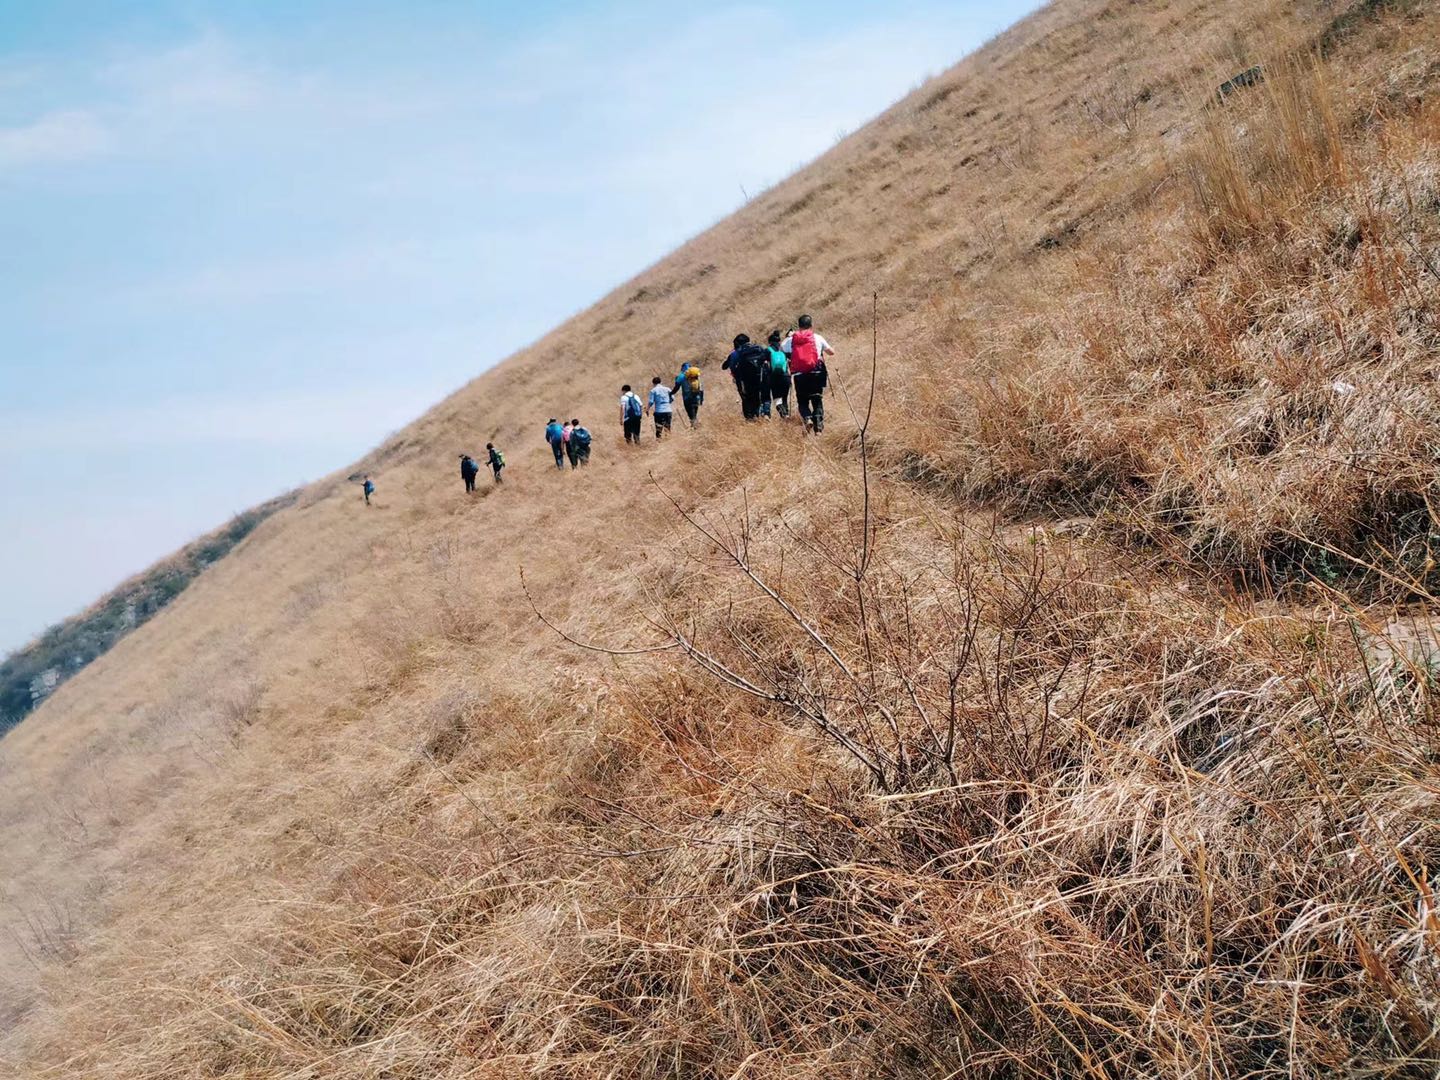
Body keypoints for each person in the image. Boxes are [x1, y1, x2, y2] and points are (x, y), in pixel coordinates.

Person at [782, 314, 835, 433]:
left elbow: (781, 349)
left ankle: (807, 418)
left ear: (799, 326)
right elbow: (831, 352)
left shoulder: (792, 340)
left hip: (800, 375)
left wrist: (789, 336)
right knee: (817, 400)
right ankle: (819, 430)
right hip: (817, 373)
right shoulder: (817, 337)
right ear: (811, 325)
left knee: (802, 401)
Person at [722, 334, 769, 420]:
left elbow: (725, 366)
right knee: (759, 396)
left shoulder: (736, 353)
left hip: (744, 379)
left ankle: (750, 417)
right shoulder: (758, 348)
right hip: (761, 376)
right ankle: (760, 414)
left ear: (737, 343)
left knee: (746, 398)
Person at [766, 330, 791, 419]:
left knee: (777, 399)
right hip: (786, 377)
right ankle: (786, 416)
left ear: (769, 342)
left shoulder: (768, 351)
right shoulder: (784, 350)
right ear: (779, 341)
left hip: (774, 378)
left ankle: (784, 414)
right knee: (784, 398)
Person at [672, 362, 704, 427]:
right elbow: (700, 388)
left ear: (682, 368)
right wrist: (701, 399)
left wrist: (670, 393)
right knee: (694, 413)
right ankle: (695, 427)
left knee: (691, 415)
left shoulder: (681, 376)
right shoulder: (696, 375)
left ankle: (696, 428)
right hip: (697, 397)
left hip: (687, 399)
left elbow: (676, 387)